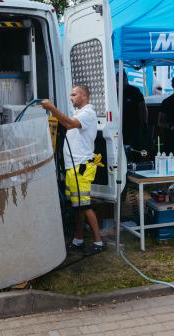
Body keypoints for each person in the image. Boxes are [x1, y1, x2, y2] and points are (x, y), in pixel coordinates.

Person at [40, 85, 104, 254]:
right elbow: (67, 123)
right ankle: (78, 239)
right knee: (78, 206)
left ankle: (98, 242)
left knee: (85, 205)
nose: (71, 97)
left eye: (74, 95)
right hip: (73, 167)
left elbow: (69, 124)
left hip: (80, 166)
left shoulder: (88, 113)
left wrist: (52, 108)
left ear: (84, 96)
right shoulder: (79, 113)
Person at [117, 72, 148, 156]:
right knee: (121, 150)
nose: (121, 82)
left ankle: (137, 164)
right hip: (119, 127)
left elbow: (143, 108)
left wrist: (144, 123)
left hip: (134, 126)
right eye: (118, 80)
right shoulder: (113, 92)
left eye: (123, 79)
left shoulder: (134, 90)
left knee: (135, 150)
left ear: (126, 79)